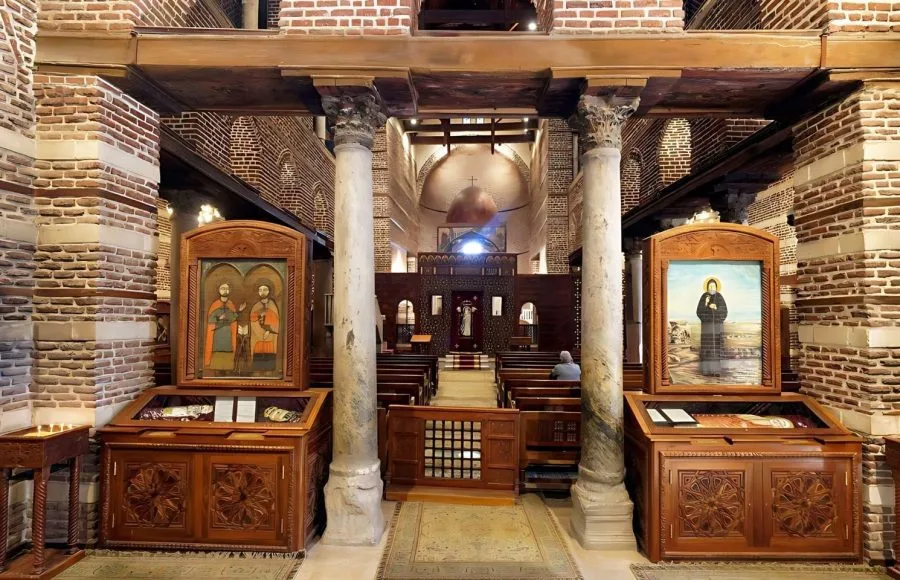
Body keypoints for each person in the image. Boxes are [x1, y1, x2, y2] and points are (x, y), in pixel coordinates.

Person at [204, 283, 245, 374]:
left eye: (226, 288)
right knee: (217, 363)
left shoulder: (231, 304)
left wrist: (240, 311)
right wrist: (219, 318)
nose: (225, 290)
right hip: (218, 335)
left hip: (228, 335)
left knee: (228, 357)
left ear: (229, 290)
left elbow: (233, 318)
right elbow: (210, 319)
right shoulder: (215, 305)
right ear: (219, 290)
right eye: (222, 288)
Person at [696, 277, 728, 377]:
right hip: (707, 328)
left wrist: (716, 308)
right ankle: (707, 371)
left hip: (717, 327)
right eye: (710, 286)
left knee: (716, 348)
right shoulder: (704, 296)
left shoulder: (719, 297)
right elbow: (699, 311)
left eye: (713, 286)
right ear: (707, 287)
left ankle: (716, 371)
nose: (711, 288)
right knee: (707, 348)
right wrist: (706, 304)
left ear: (716, 287)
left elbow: (724, 312)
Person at [250, 280, 280, 373]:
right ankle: (258, 371)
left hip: (270, 336)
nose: (263, 292)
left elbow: (276, 321)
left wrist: (268, 331)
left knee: (269, 353)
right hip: (258, 336)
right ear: (258, 292)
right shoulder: (256, 306)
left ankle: (269, 371)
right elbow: (252, 320)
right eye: (260, 290)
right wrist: (260, 333)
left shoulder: (272, 305)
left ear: (269, 291)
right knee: (258, 353)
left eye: (265, 289)